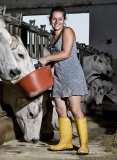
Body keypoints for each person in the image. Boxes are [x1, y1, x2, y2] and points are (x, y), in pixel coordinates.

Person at [38, 6, 89, 155]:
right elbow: (56, 59)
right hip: (59, 77)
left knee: (75, 110)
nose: (57, 21)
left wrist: (47, 58)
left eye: (60, 19)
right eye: (54, 19)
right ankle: (65, 141)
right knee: (61, 109)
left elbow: (66, 53)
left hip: (72, 75)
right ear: (50, 20)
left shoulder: (68, 31)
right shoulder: (51, 36)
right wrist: (47, 68)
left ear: (64, 20)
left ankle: (84, 145)